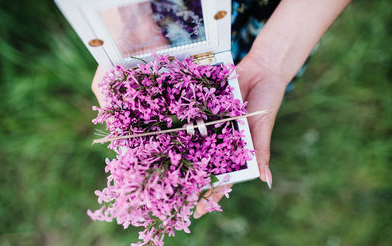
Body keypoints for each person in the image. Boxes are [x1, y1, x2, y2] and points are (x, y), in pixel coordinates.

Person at [91, 0, 351, 219]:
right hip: (176, 14)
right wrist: (128, 19)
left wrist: (271, 60)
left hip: (279, 13)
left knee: (237, 76)